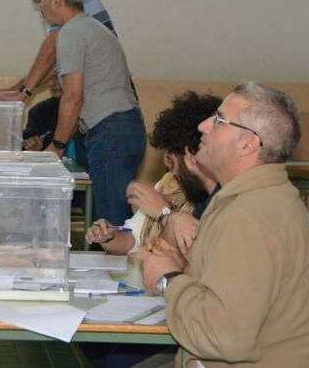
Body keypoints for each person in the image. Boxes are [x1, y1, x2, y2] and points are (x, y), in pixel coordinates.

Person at [140, 83, 309, 367]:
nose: (204, 126)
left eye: (219, 120)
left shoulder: (248, 215)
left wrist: (168, 279)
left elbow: (223, 338)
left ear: (248, 144)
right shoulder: (261, 197)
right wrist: (187, 267)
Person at [40, 0, 145, 226]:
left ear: (57, 0)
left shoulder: (71, 32)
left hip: (110, 133)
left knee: (110, 224)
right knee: (112, 217)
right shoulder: (94, 27)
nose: (41, 5)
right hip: (124, 128)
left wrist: (57, 146)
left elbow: (73, 96)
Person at [86, 91, 220, 257]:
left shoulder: (218, 198)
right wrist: (109, 237)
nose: (171, 169)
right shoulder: (170, 183)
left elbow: (191, 259)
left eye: (174, 159)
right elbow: (133, 239)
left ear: (192, 156)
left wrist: (164, 213)